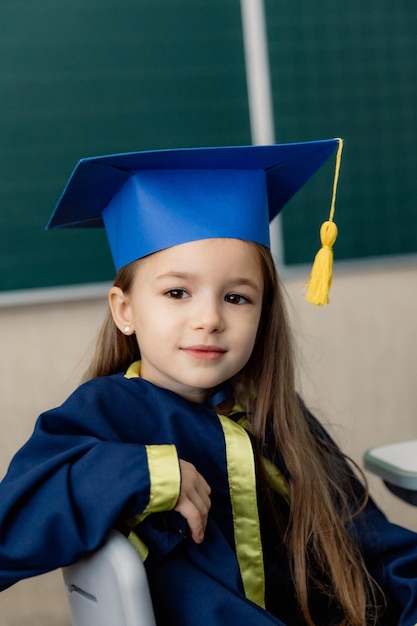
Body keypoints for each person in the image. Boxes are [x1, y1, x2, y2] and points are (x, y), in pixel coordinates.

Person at [1, 140, 417, 626]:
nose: (209, 319)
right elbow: (12, 530)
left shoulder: (277, 416)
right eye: (177, 292)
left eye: (237, 298)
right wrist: (146, 475)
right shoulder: (108, 414)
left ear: (264, 314)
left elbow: (372, 545)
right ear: (125, 310)